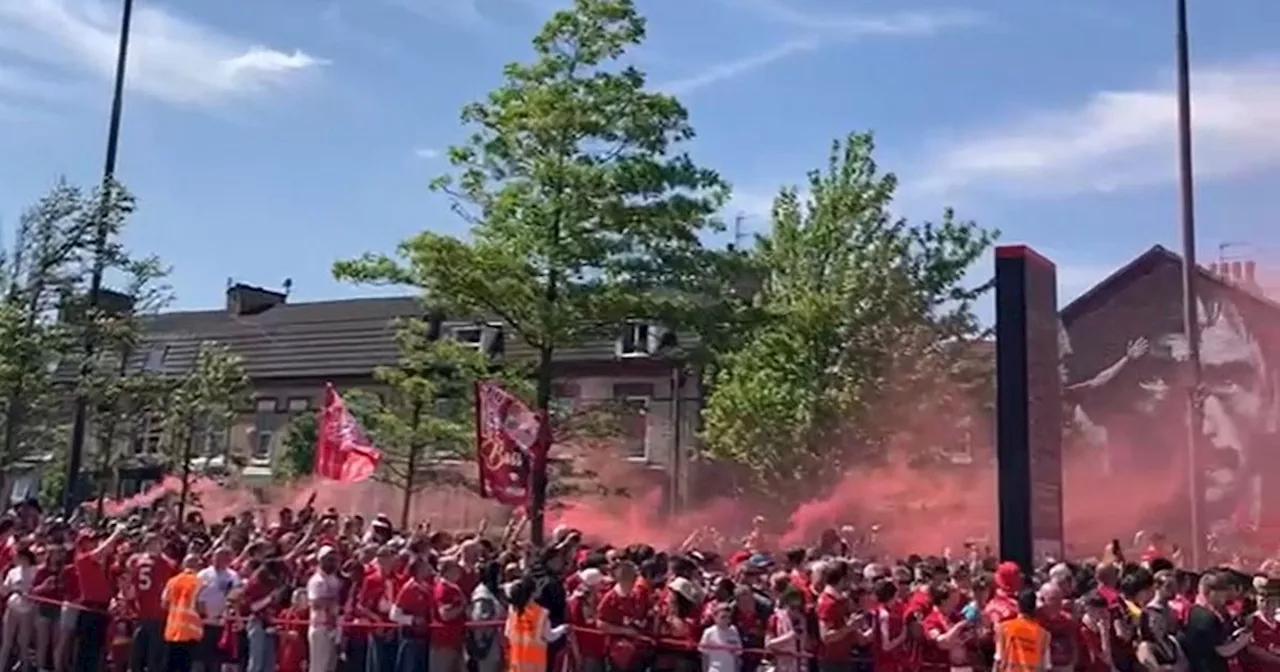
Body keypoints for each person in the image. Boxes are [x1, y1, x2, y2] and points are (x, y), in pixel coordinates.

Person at [1181, 571, 1253, 672]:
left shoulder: (1197, 610)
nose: (1225, 598)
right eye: (1222, 593)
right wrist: (1244, 640)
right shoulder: (1206, 617)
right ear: (1211, 592)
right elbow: (1223, 650)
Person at [129, 533, 178, 672]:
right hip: (153, 615)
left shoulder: (136, 560)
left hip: (148, 614)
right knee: (150, 657)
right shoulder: (168, 564)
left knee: (143, 656)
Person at [504, 574, 568, 672]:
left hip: (516, 663)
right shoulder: (541, 613)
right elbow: (549, 636)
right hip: (535, 665)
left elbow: (507, 633)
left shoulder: (513, 611)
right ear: (532, 593)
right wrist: (563, 629)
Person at [195, 547, 240, 672]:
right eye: (217, 556)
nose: (219, 560)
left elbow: (235, 595)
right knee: (201, 657)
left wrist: (233, 614)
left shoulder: (232, 576)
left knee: (218, 658)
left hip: (223, 622)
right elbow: (197, 596)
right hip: (204, 622)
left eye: (224, 557)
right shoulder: (204, 574)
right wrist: (201, 614)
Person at [162, 555, 206, 672]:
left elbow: (164, 604)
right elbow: (200, 607)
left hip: (173, 629)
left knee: (171, 665)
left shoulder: (172, 581)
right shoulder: (199, 582)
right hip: (190, 631)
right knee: (186, 666)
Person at [993, 589, 1049, 672]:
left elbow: (998, 659)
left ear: (1018, 606)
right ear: (1034, 609)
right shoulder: (1043, 635)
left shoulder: (1004, 628)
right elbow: (1045, 667)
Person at [0, 547, 37, 672]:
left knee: (24, 642)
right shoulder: (12, 572)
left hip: (28, 610)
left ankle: (25, 667)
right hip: (12, 607)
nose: (14, 558)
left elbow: (36, 591)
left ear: (25, 557)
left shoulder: (35, 571)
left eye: (17, 556)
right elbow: (4, 592)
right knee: (7, 642)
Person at [306, 547, 342, 672]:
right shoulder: (316, 581)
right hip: (320, 626)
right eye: (329, 559)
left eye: (334, 560)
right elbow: (315, 603)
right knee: (318, 667)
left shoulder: (334, 579)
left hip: (333, 626)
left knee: (330, 666)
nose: (332, 563)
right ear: (321, 560)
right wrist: (331, 602)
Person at [1136, 607, 1186, 672]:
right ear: (1147, 624)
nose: (1159, 625)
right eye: (1154, 621)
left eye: (1161, 620)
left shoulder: (1172, 640)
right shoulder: (1146, 647)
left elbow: (1185, 663)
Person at [701, 601, 743, 672]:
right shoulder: (709, 632)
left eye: (729, 617)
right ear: (715, 617)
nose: (726, 620)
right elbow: (705, 656)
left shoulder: (734, 631)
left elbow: (737, 655)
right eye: (723, 617)